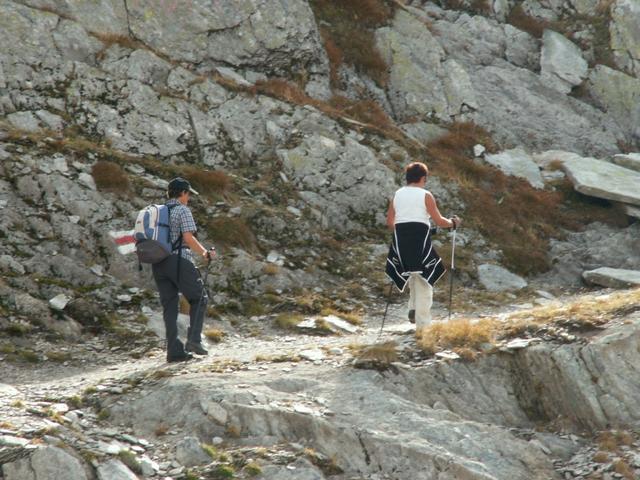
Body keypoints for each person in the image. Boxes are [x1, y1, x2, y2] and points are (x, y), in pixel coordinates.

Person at [385, 162, 461, 330]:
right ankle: (423, 327)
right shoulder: (425, 195)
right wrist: (453, 223)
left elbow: (390, 222)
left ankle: (413, 308)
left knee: (413, 274)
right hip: (420, 242)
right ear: (423, 178)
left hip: (401, 243)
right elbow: (440, 221)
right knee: (425, 280)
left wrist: (406, 230)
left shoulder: (397, 194)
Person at [153, 177, 215, 362]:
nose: (189, 198)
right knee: (199, 298)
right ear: (183, 193)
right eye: (188, 194)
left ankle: (174, 352)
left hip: (158, 263)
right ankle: (194, 341)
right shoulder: (182, 210)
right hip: (178, 260)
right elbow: (188, 238)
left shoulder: (158, 212)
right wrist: (204, 253)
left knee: (170, 306)